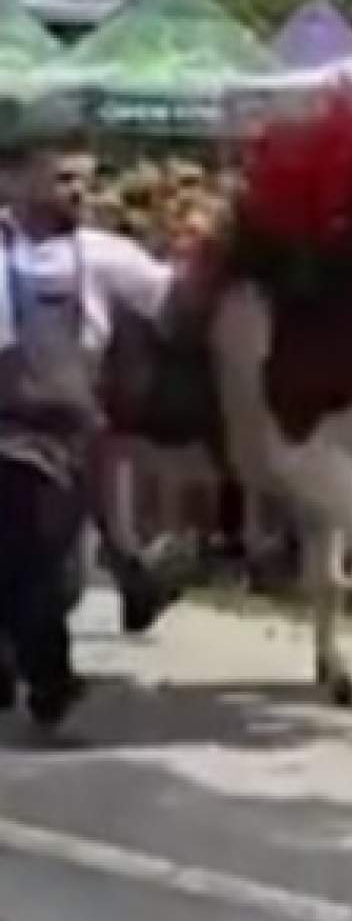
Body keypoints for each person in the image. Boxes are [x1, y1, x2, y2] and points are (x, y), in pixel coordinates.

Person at [0, 130, 176, 726]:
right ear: (13, 181)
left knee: (54, 570)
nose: (78, 193)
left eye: (84, 180)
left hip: (64, 437)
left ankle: (35, 671)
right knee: (30, 559)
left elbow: (171, 300)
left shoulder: (101, 255)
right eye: (62, 179)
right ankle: (48, 681)